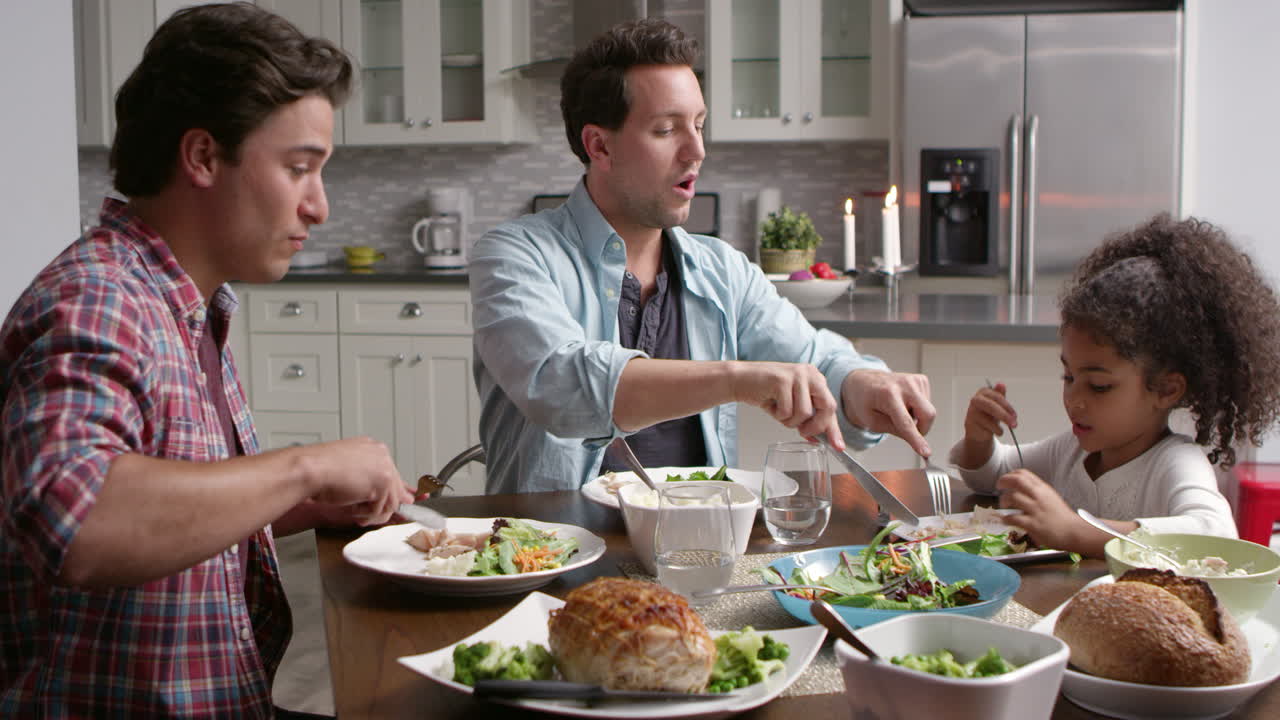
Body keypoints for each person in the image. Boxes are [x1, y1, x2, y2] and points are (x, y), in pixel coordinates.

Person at [0, 4, 413, 716]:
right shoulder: (101, 300)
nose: (319, 206)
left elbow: (166, 503)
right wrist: (301, 466)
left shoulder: (184, 301)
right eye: (298, 168)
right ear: (201, 157)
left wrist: (292, 504)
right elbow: (80, 520)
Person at [469, 18, 935, 494]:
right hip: (553, 552)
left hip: (700, 551)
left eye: (699, 124)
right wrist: (735, 379)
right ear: (599, 145)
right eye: (667, 129)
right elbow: (561, 384)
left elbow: (812, 360)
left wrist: (861, 385)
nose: (697, 151)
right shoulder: (515, 255)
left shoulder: (722, 269)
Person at [950, 214, 1280, 557]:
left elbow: (1216, 537)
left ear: (1166, 390)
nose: (1074, 400)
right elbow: (995, 477)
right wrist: (979, 438)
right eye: (1069, 378)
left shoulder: (1174, 463)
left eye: (1099, 386)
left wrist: (1076, 532)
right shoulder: (1071, 452)